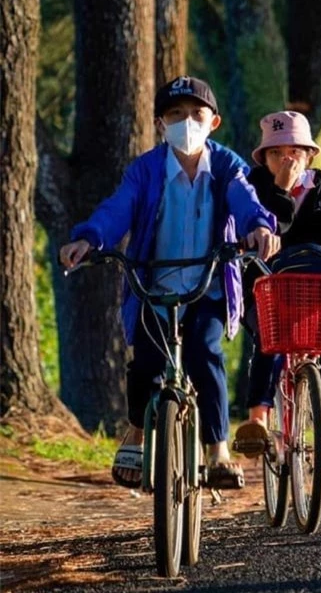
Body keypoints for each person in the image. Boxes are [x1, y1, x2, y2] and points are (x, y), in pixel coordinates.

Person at [59, 76, 280, 489]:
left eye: (197, 114)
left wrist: (259, 228)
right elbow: (117, 210)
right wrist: (89, 238)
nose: (186, 123)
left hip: (208, 284)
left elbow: (246, 200)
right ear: (160, 123)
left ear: (213, 122)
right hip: (154, 284)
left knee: (203, 352)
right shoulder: (145, 169)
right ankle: (138, 433)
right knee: (144, 361)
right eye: (175, 115)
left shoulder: (227, 165)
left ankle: (218, 449)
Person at [231, 111, 321, 479]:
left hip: (314, 292)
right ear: (265, 157)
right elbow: (270, 228)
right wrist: (280, 189)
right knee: (269, 341)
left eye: (295, 151)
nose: (287, 159)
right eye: (277, 153)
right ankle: (258, 420)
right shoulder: (253, 185)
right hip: (268, 287)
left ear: (310, 154)